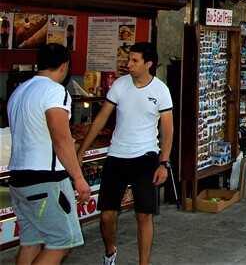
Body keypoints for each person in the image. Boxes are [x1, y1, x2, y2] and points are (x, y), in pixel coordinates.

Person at [77, 42, 172, 265]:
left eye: (134, 60)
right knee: (107, 216)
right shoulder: (119, 85)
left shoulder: (160, 90)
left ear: (148, 64)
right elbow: (100, 119)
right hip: (117, 156)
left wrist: (163, 162)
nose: (128, 64)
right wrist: (81, 150)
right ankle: (110, 251)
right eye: (128, 59)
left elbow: (168, 129)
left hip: (146, 157)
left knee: (144, 215)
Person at [9, 44, 90, 265]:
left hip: (18, 178)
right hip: (46, 179)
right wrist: (79, 178)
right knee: (61, 241)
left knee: (31, 242)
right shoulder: (55, 91)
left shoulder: (20, 91)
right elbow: (61, 138)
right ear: (64, 66)